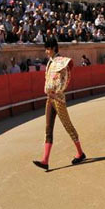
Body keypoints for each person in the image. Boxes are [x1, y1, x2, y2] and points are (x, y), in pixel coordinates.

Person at [32, 38, 86, 171]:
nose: (46, 51)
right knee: (48, 128)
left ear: (54, 48)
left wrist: (56, 91)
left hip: (58, 99)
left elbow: (65, 79)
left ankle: (80, 153)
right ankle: (45, 160)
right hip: (50, 98)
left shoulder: (61, 61)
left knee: (67, 125)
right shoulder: (51, 62)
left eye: (48, 48)